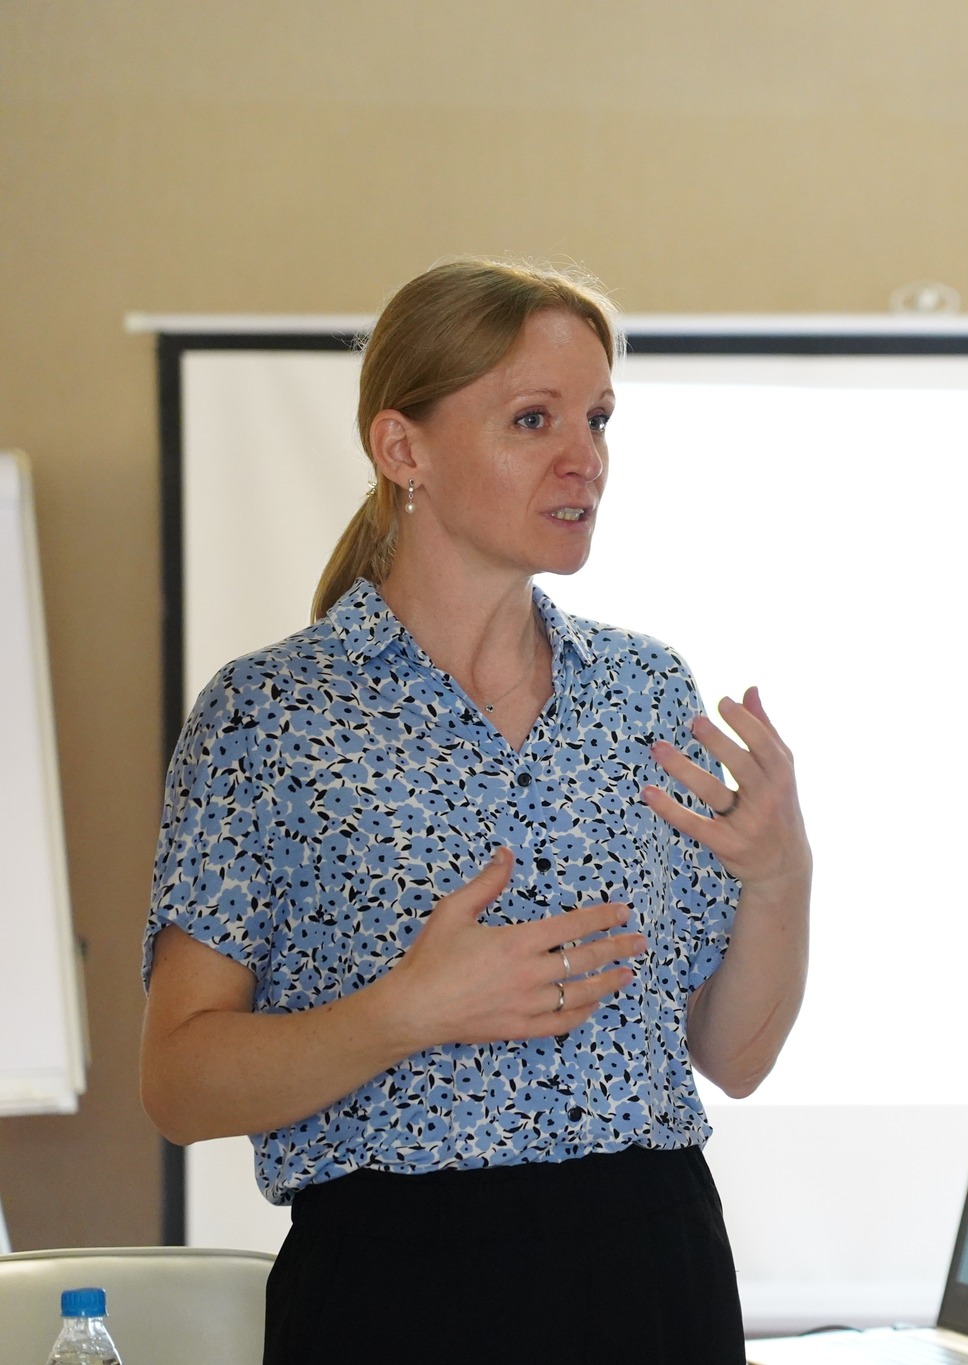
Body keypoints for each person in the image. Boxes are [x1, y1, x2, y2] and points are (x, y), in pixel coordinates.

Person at [139, 260, 811, 1365]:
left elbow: (732, 1058)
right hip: (395, 1291)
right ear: (402, 450)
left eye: (598, 418)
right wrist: (408, 1010)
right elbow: (177, 1085)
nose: (584, 457)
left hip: (654, 1273)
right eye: (533, 419)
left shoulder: (646, 694)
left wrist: (782, 878)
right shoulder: (270, 717)